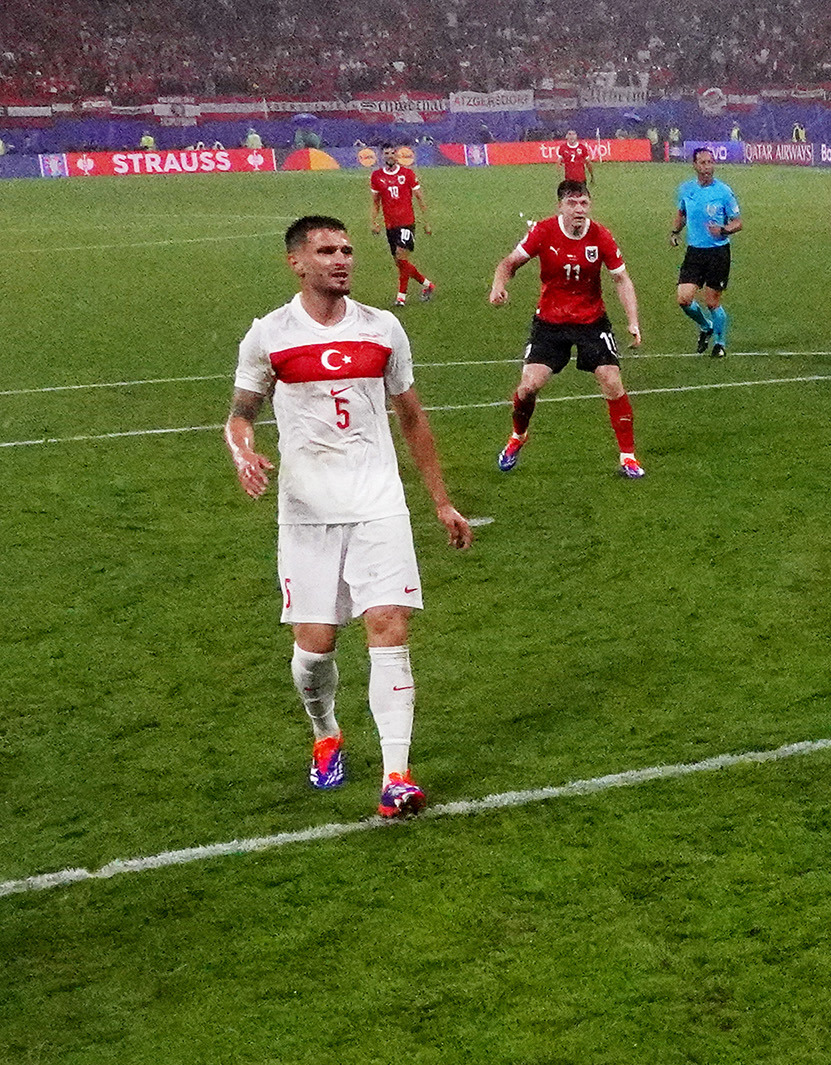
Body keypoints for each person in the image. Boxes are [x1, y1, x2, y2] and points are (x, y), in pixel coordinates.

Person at [226, 215, 475, 820]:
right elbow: (239, 414)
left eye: (346, 250)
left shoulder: (383, 328)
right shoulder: (269, 336)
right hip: (308, 514)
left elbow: (412, 417)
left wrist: (440, 500)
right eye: (326, 251)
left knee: (389, 625)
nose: (341, 259)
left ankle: (397, 775)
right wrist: (243, 453)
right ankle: (326, 731)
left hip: (377, 505)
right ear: (297, 262)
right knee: (315, 649)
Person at [490, 178, 647, 479]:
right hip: (550, 321)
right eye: (572, 204)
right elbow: (508, 263)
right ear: (560, 206)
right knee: (529, 386)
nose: (579, 209)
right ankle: (517, 436)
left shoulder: (601, 235)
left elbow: (621, 279)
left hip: (591, 321)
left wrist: (633, 321)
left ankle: (628, 456)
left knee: (612, 381)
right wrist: (499, 286)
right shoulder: (543, 232)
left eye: (584, 203)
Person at [669, 146, 741, 359]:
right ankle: (705, 325)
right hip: (694, 252)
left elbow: (737, 222)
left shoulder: (724, 192)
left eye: (710, 162)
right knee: (683, 299)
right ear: (694, 165)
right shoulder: (686, 189)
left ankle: (720, 343)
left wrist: (724, 230)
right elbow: (682, 212)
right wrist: (675, 232)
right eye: (703, 163)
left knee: (712, 302)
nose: (707, 167)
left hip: (718, 253)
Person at [367, 142, 436, 305]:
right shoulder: (377, 176)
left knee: (401, 256)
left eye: (392, 153)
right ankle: (428, 285)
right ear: (382, 156)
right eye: (386, 153)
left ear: (397, 155)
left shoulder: (407, 174)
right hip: (390, 225)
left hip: (406, 223)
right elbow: (376, 202)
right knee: (400, 263)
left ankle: (401, 297)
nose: (389, 156)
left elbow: (420, 198)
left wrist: (426, 222)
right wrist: (374, 222)